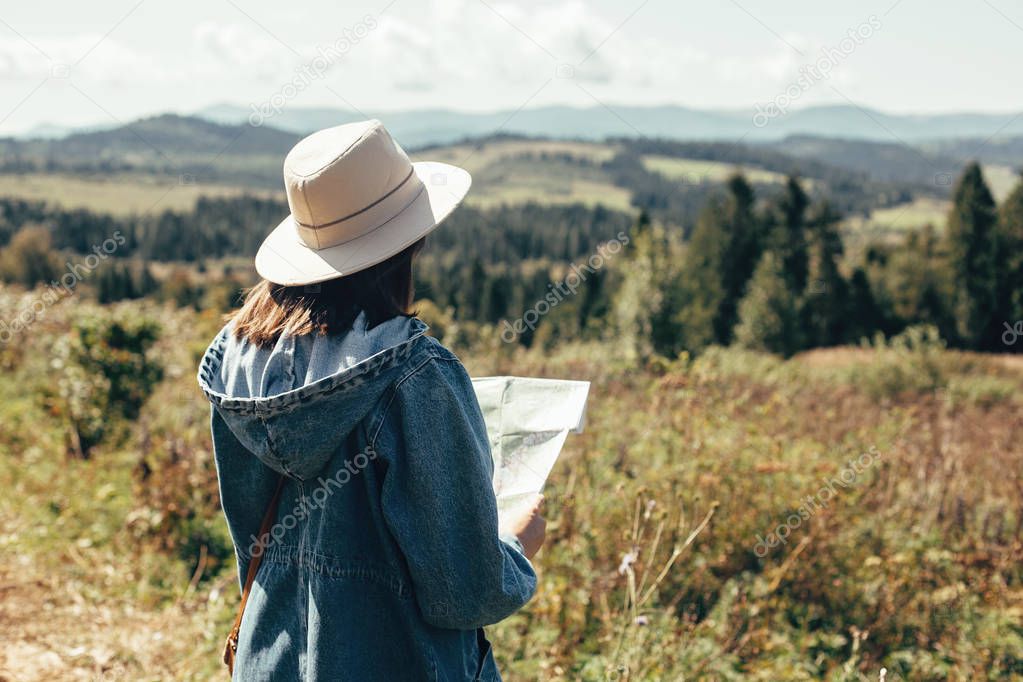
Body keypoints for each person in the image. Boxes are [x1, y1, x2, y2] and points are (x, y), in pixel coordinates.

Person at [197, 120, 545, 681]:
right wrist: (518, 543)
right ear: (407, 246)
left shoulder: (241, 357)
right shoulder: (416, 377)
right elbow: (466, 590)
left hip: (272, 659)